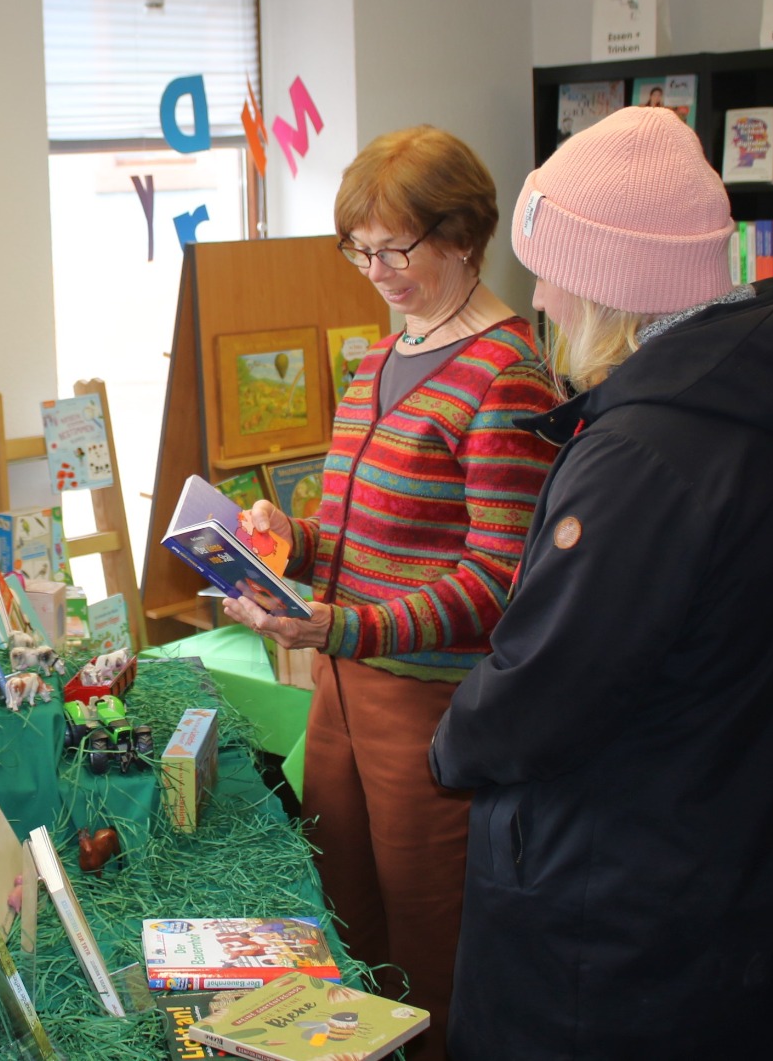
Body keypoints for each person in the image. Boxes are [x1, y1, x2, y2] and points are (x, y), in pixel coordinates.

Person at [430, 106, 773, 1059]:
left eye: (551, 273)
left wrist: (453, 742)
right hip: (765, 862)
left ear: (607, 282)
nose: (544, 304)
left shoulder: (645, 453)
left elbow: (546, 688)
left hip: (625, 905)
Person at [222, 125, 561, 1058]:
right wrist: (293, 545)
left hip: (430, 705)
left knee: (431, 951)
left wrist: (340, 624)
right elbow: (371, 541)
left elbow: (498, 581)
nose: (374, 269)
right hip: (340, 685)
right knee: (345, 924)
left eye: (395, 248)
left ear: (462, 236)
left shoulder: (507, 376)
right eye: (359, 249)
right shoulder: (378, 360)